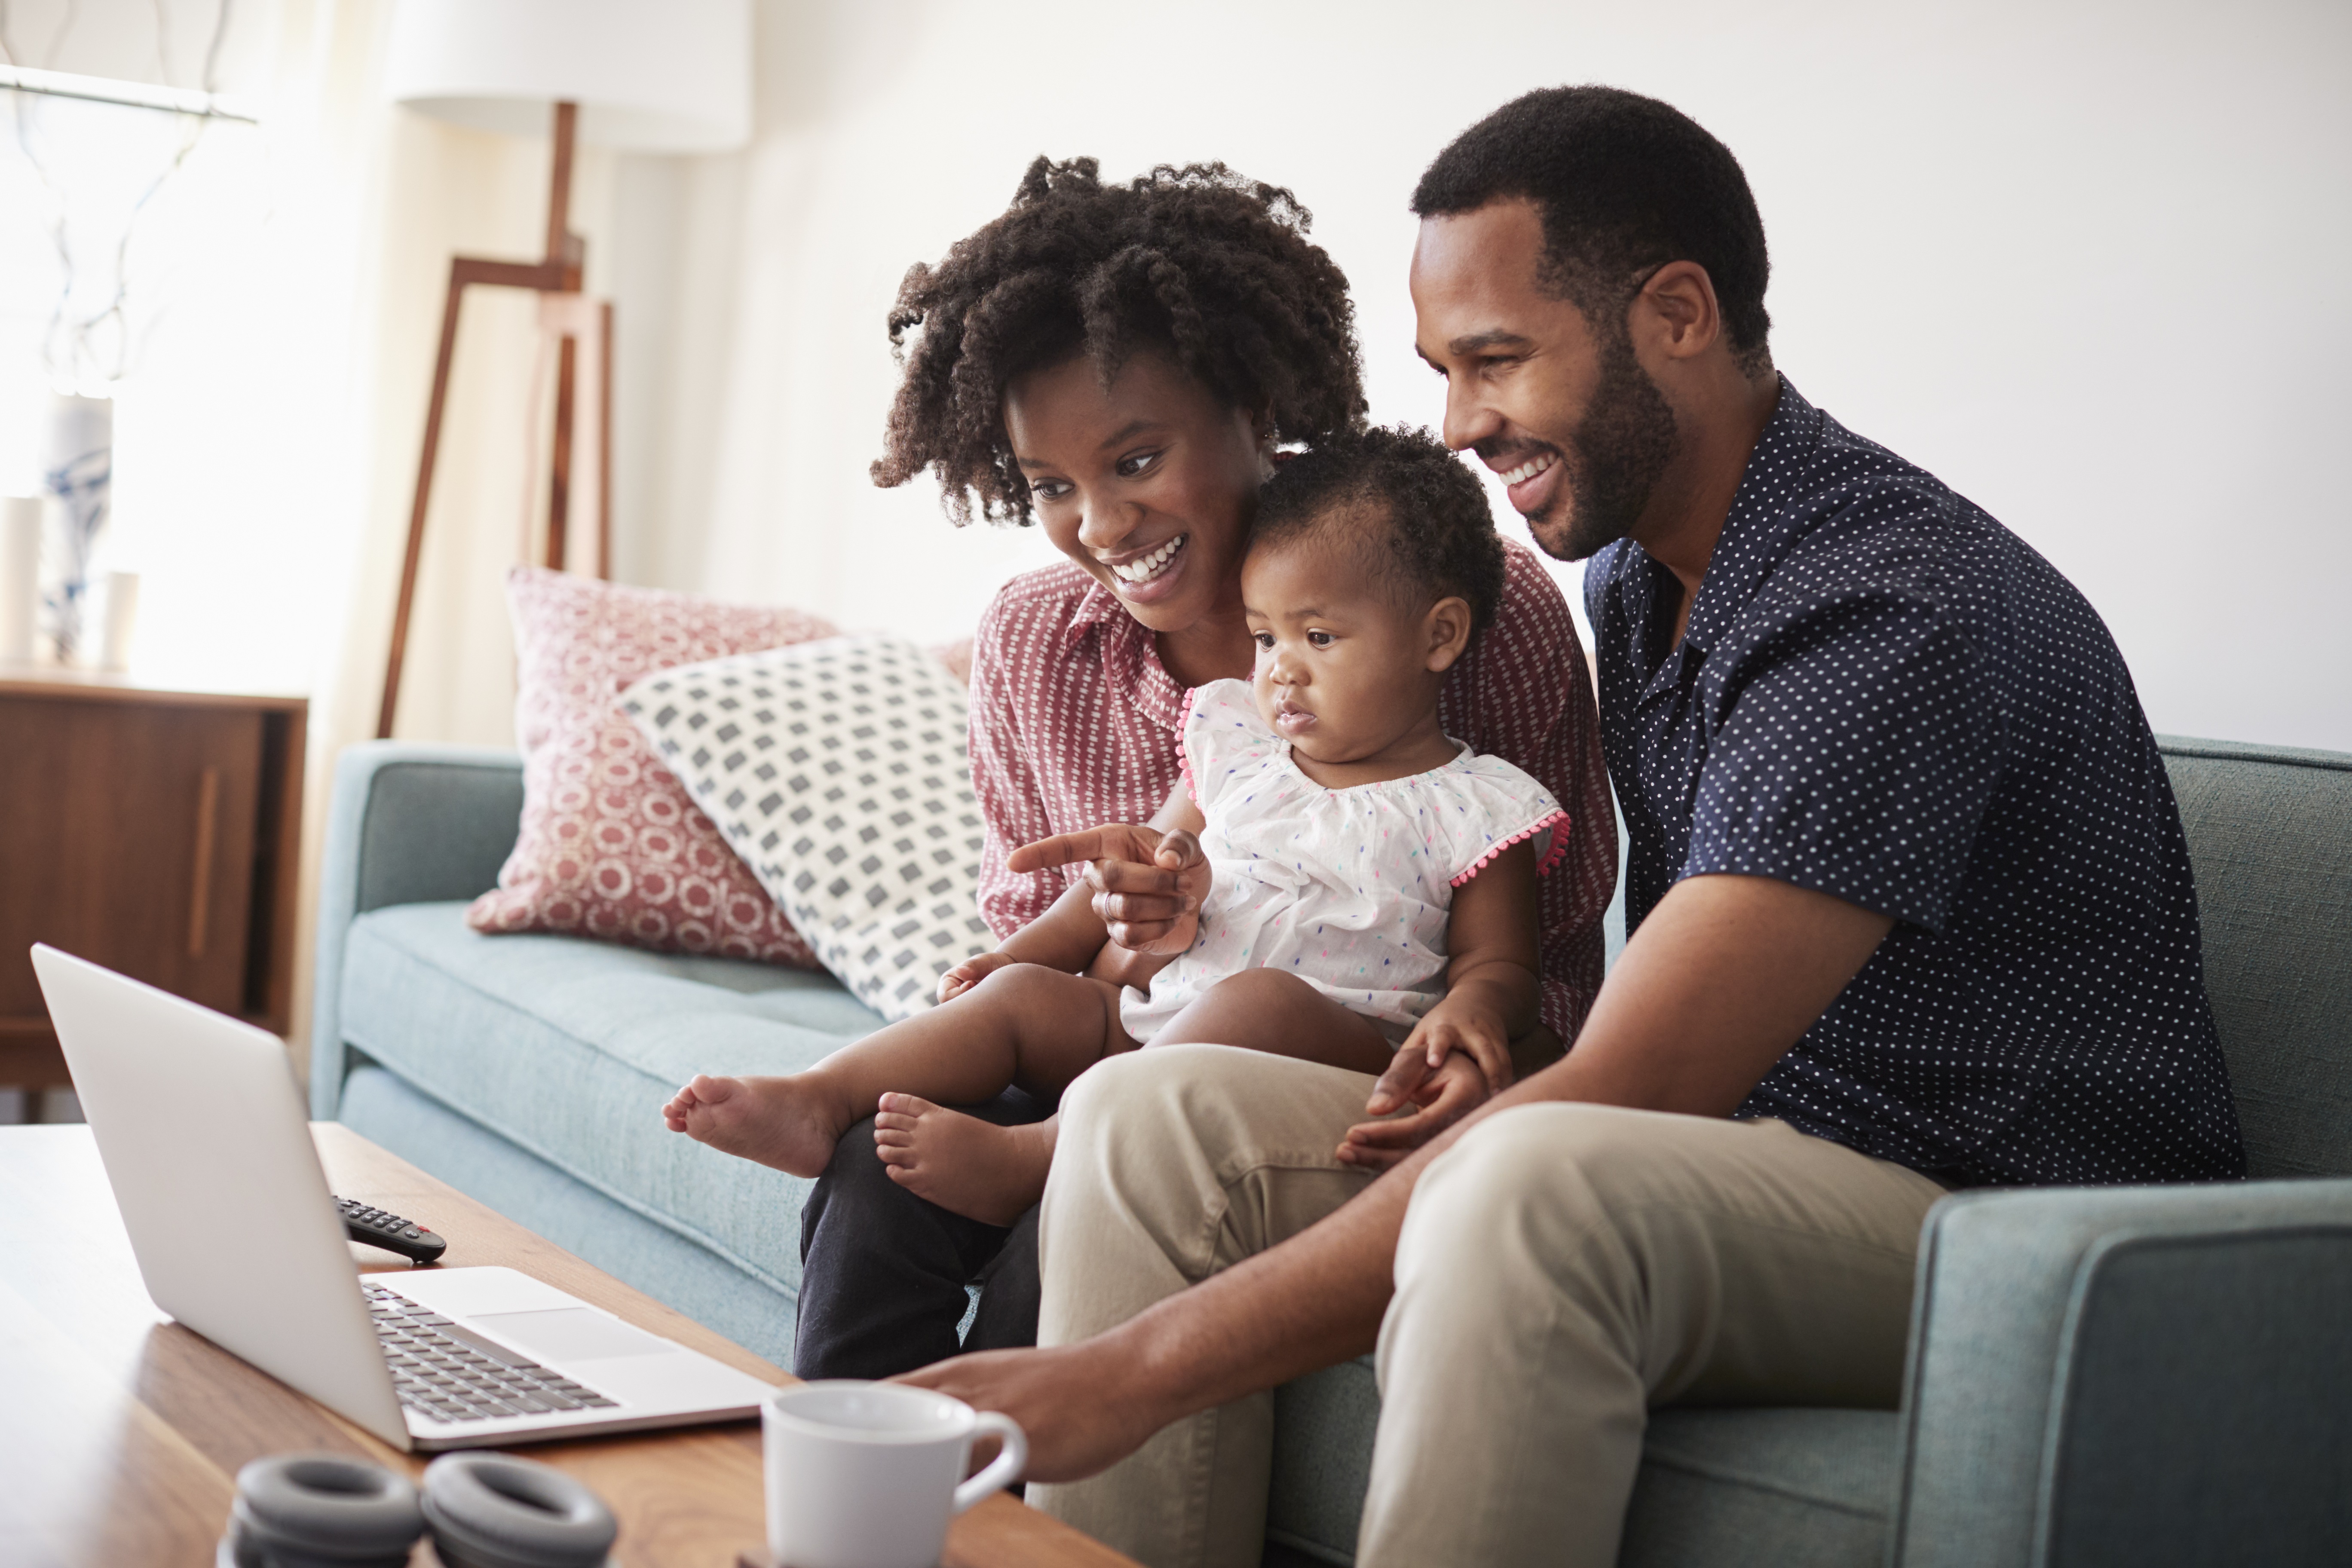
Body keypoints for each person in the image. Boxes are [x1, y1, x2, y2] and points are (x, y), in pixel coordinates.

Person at [900, 86, 2247, 1568]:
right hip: (1766, 1150)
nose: (1461, 423)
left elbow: (1639, 1078)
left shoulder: (1879, 607)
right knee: (1150, 1110)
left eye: (1495, 362)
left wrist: (1126, 1370)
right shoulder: (1643, 575)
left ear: (1675, 313)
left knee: (1525, 1189)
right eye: (1444, 370)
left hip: (2016, 1218)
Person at [788, 156, 1618, 1382]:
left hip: (1318, 1079)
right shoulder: (1035, 645)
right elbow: (1055, 974)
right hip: (1119, 1040)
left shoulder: (1469, 607)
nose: (1103, 527)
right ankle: (844, 1501)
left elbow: (1543, 987)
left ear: (1253, 404)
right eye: (1053, 487)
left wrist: (1460, 1043)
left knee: (1074, 1234)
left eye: (1134, 461)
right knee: (871, 1176)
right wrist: (1135, 938)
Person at [665, 427, 1570, 1225]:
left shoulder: (1477, 803)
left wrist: (1470, 1020)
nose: (1282, 674)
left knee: (1260, 998)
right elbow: (1139, 870)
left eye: (1320, 639)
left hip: (1325, 1054)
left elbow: (1500, 967)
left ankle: (1041, 1157)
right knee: (1023, 1004)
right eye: (1265, 639)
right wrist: (1022, 960)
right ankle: (820, 1096)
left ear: (1439, 637)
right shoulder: (1237, 747)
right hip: (1150, 1020)